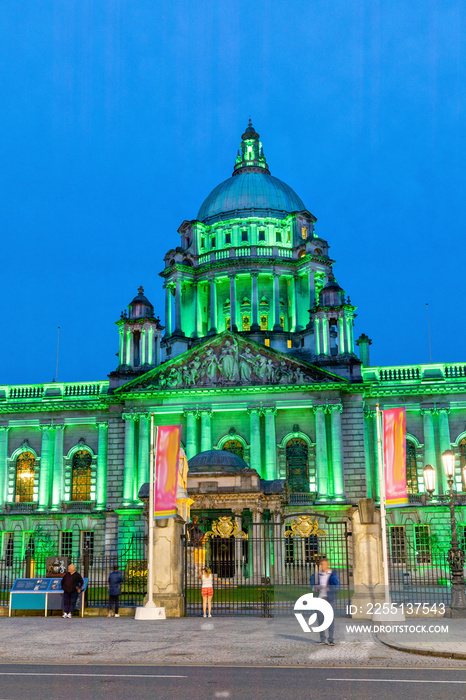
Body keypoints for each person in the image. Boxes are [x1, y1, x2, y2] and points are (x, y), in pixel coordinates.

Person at [310, 558, 339, 646]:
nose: (323, 566)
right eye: (321, 564)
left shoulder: (333, 574)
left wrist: (329, 588)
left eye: (324, 564)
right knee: (320, 620)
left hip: (329, 599)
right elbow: (312, 586)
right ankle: (322, 639)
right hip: (320, 599)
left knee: (330, 620)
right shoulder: (317, 575)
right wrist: (316, 587)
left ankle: (331, 640)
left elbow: (337, 586)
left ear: (328, 564)